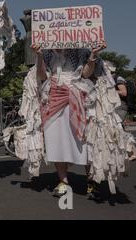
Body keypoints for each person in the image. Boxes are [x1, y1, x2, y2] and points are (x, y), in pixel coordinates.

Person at [32, 43, 107, 198]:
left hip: (77, 95)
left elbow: (86, 74)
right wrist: (39, 55)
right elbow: (42, 76)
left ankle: (92, 181)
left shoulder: (80, 50)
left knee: (84, 140)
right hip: (53, 97)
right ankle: (63, 181)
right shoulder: (46, 51)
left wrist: (92, 55)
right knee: (56, 140)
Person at [106, 61, 136, 161]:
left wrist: (108, 90)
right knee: (118, 130)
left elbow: (123, 92)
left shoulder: (118, 78)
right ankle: (132, 152)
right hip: (117, 107)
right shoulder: (111, 79)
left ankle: (134, 153)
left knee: (119, 129)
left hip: (121, 107)